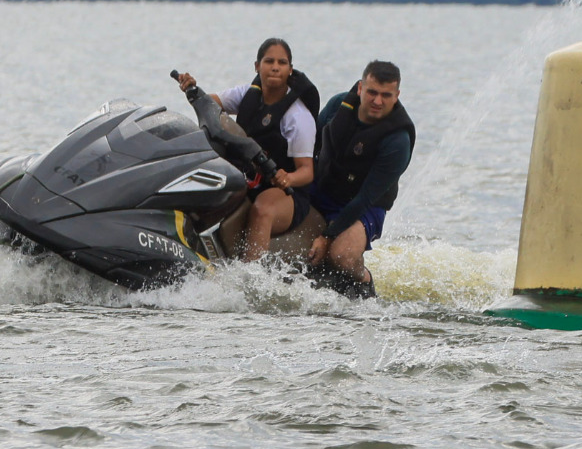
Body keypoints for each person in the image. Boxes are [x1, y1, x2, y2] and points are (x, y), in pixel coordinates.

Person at [176, 39, 319, 261]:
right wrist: (193, 89)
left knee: (262, 209)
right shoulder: (247, 94)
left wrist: (288, 179)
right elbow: (211, 104)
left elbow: (307, 171)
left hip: (286, 192)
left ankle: (249, 278)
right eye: (269, 61)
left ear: (290, 70)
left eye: (282, 63)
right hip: (248, 179)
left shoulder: (298, 118)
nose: (274, 67)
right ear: (256, 66)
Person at [307, 60, 415, 289]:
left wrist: (327, 236)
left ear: (396, 96)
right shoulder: (338, 105)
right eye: (372, 92)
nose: (377, 101)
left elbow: (366, 197)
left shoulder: (398, 141)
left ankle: (364, 280)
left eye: (386, 95)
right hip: (324, 186)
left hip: (365, 206)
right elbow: (309, 144)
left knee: (342, 257)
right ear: (360, 88)